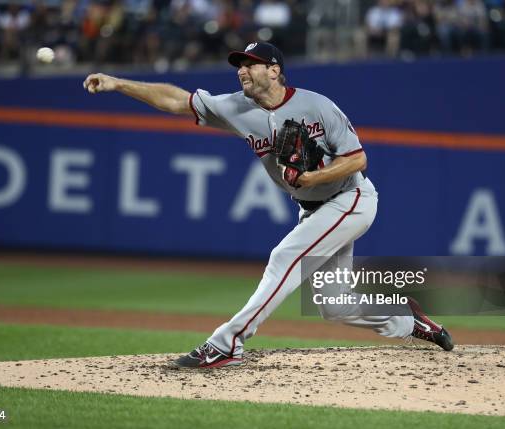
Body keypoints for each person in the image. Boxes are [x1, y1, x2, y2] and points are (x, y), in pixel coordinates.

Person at [83, 42, 454, 368]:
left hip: (351, 198)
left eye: (250, 63)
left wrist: (311, 178)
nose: (242, 70)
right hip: (313, 209)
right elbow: (177, 101)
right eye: (239, 64)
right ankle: (409, 321)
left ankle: (228, 342)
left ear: (274, 70)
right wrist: (119, 84)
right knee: (334, 305)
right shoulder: (234, 107)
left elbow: (357, 159)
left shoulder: (318, 106)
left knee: (284, 256)